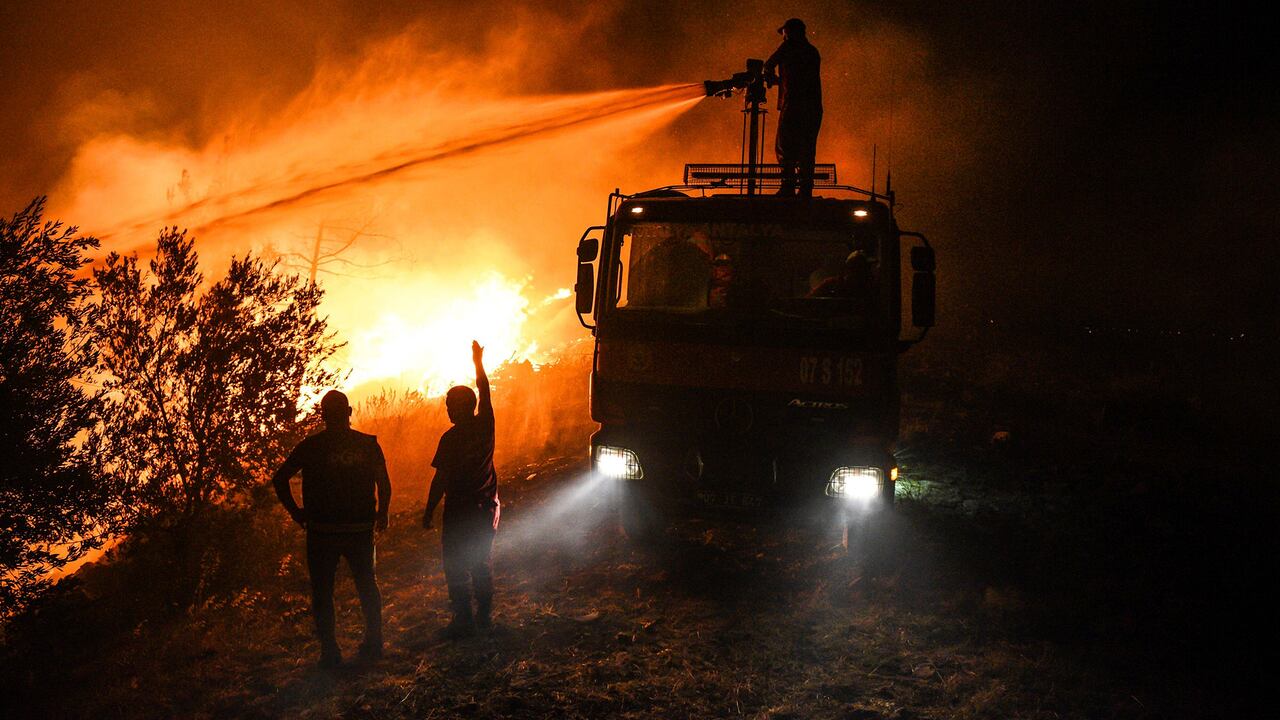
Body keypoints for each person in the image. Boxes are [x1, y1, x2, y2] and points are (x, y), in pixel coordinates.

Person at [272, 390, 391, 669]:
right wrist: (382, 514)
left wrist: (296, 512)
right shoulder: (368, 444)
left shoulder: (311, 447)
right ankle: (374, 642)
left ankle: (330, 651)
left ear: (323, 415)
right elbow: (383, 484)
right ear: (349, 412)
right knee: (367, 584)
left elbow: (280, 479)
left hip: (322, 531)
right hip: (359, 529)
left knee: (323, 591)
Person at [423, 340, 500, 639]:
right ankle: (484, 616)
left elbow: (440, 479)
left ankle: (463, 619)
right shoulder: (486, 425)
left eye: (450, 406)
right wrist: (478, 363)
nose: (448, 411)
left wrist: (429, 511)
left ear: (460, 407)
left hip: (459, 510)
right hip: (487, 507)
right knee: (480, 561)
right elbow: (485, 391)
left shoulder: (450, 439)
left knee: (455, 564)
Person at [764, 18, 823, 197]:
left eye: (784, 33)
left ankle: (787, 187)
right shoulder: (812, 51)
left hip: (793, 104)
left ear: (789, 32)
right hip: (813, 107)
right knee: (807, 149)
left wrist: (770, 78)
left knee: (785, 146)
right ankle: (805, 190)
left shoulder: (789, 46)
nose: (783, 37)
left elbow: (769, 64)